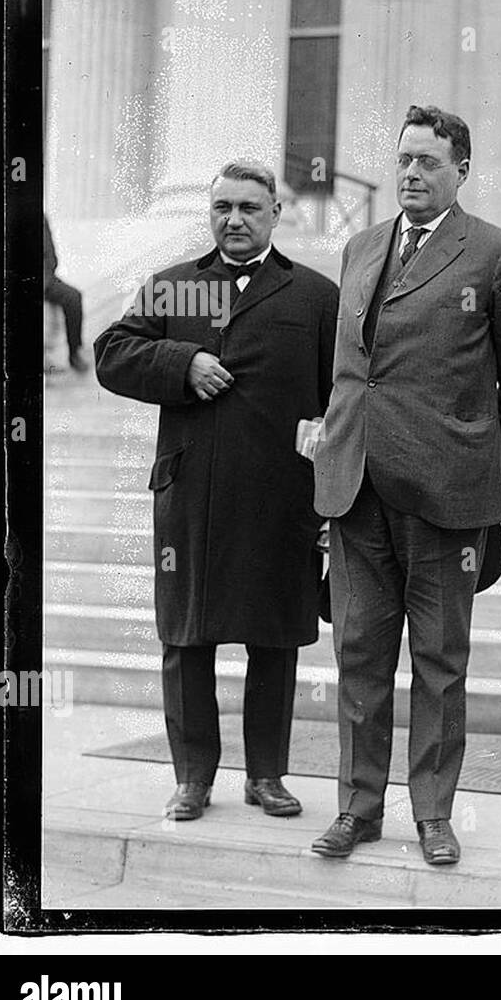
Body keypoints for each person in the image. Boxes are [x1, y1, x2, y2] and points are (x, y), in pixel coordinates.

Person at [309, 104, 501, 864]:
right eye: (405, 159)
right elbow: (353, 373)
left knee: (441, 663)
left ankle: (434, 815)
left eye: (428, 163)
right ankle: (357, 807)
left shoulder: (494, 254)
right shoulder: (360, 248)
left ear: (462, 172)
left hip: (444, 499)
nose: (412, 173)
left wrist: (478, 463)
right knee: (358, 655)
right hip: (355, 490)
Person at [94, 160, 338, 822]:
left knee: (276, 640)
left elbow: (341, 400)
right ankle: (193, 778)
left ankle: (266, 777)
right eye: (222, 207)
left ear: (274, 213)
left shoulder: (315, 296)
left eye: (248, 208)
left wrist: (331, 497)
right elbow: (111, 352)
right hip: (191, 492)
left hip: (280, 496)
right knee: (187, 639)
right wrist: (183, 362)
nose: (233, 219)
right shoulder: (175, 287)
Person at [43, 214, 89, 372]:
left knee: (74, 297)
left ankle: (74, 353)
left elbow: (52, 257)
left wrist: (45, 279)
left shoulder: (40, 217)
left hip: (45, 279)